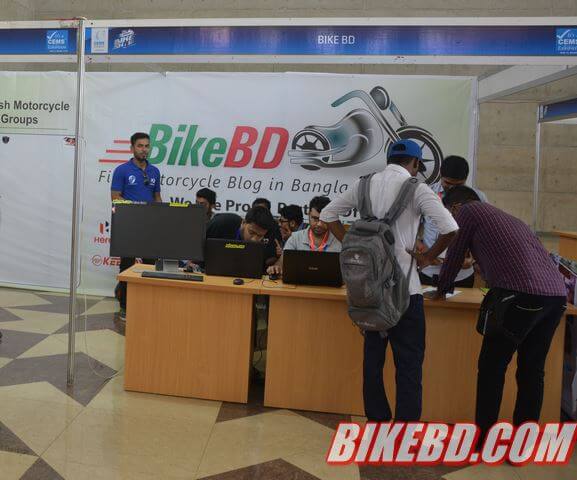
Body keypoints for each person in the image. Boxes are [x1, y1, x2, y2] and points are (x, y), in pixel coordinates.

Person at [319, 139, 459, 423]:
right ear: (416, 163)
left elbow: (327, 214)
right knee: (409, 366)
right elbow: (450, 228)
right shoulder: (417, 189)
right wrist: (428, 257)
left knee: (373, 363)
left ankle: (377, 423)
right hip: (407, 292)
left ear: (389, 159)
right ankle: (404, 430)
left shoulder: (363, 185)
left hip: (369, 291)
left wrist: (350, 244)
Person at [427, 186, 567, 447]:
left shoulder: (467, 212)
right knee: (531, 370)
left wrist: (442, 289)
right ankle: (523, 444)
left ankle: (485, 440)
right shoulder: (508, 219)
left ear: (455, 207)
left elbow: (455, 253)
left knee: (492, 367)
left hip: (521, 295)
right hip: (555, 297)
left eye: (449, 214)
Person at [111, 132, 162, 320]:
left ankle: (146, 305)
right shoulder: (122, 170)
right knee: (127, 266)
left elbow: (157, 197)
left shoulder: (155, 171)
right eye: (140, 146)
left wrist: (161, 217)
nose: (144, 149)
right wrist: (137, 209)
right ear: (132, 148)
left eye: (147, 146)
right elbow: (115, 198)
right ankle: (125, 306)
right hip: (129, 226)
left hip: (149, 227)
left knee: (150, 266)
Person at [419, 155, 488, 288]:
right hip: (430, 271)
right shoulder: (426, 194)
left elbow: (483, 234)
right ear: (440, 174)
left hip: (462, 274)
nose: (452, 189)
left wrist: (473, 259)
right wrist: (424, 251)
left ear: (466, 179)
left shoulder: (478, 197)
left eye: (458, 185)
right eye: (448, 183)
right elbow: (411, 230)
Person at [267, 197, 340, 276]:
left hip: (330, 284)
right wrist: (275, 268)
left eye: (324, 219)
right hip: (297, 284)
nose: (319, 224)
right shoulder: (295, 238)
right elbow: (281, 263)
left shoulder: (340, 240)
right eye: (315, 218)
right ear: (308, 214)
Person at [206, 205, 275, 245]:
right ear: (244, 222)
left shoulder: (266, 239)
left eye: (260, 236)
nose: (254, 240)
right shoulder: (221, 223)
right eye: (251, 232)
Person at [251, 198, 283, 266]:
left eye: (263, 211)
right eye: (257, 211)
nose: (260, 214)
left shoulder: (275, 227)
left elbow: (274, 256)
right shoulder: (248, 225)